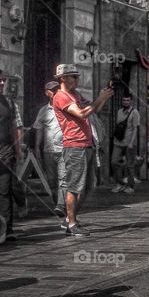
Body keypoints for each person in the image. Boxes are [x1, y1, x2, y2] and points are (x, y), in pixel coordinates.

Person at [51, 63, 113, 236]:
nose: (77, 79)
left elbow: (92, 109)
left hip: (87, 144)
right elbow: (82, 114)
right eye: (74, 76)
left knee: (88, 186)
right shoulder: (61, 96)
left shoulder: (75, 94)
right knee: (74, 186)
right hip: (74, 146)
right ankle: (71, 223)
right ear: (63, 78)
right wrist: (100, 98)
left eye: (77, 76)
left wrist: (104, 98)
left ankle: (69, 219)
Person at [33, 80, 65, 216]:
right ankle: (57, 205)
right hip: (48, 150)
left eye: (57, 89)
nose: (56, 92)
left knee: (63, 179)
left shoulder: (65, 106)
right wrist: (37, 147)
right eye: (52, 90)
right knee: (52, 181)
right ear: (47, 93)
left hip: (65, 149)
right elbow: (39, 129)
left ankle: (62, 206)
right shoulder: (43, 111)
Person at [0, 72, 21, 242]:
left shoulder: (8, 102)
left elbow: (14, 126)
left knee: (5, 190)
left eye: (3, 80)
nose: (1, 83)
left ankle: (8, 228)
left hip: (6, 151)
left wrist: (18, 149)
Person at [110, 94, 140, 194]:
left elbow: (135, 128)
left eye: (127, 100)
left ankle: (130, 186)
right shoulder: (119, 112)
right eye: (124, 100)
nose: (125, 102)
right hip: (118, 142)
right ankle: (120, 183)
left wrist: (131, 142)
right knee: (114, 162)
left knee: (130, 165)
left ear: (131, 101)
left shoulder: (135, 112)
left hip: (129, 143)